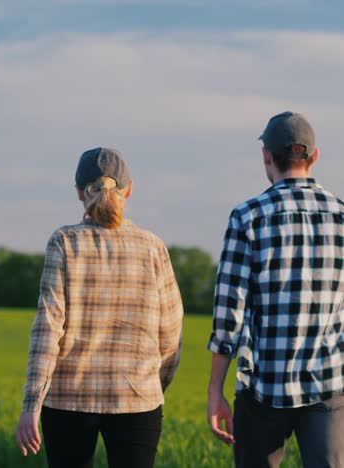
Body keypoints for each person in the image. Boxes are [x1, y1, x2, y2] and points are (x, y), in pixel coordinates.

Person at [17, 147, 184, 468]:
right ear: (129, 189)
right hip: (138, 399)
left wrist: (31, 403)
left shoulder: (63, 242)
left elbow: (48, 327)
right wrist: (153, 384)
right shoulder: (153, 246)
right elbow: (171, 331)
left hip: (68, 399)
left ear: (79, 192)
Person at [206, 112, 343, 467]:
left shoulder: (247, 216)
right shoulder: (342, 217)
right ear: (314, 157)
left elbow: (228, 314)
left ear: (267, 156)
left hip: (262, 389)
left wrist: (215, 391)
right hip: (329, 387)